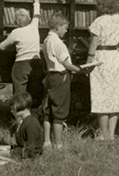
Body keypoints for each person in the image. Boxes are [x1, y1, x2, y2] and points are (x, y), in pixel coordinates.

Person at [86, 0, 119, 140]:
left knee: (101, 95)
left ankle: (103, 134)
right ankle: (111, 135)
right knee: (114, 95)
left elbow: (94, 43)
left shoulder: (99, 21)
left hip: (101, 58)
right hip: (114, 58)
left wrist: (89, 61)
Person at [42, 13, 82, 149]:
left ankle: (47, 141)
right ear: (58, 27)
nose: (66, 31)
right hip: (61, 76)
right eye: (65, 28)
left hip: (51, 76)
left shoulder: (47, 40)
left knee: (49, 109)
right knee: (60, 110)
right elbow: (66, 63)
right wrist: (79, 69)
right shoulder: (58, 43)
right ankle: (58, 144)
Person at [0, 0, 44, 108]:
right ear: (29, 19)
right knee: (34, 91)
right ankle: (33, 115)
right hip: (36, 63)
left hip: (21, 65)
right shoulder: (34, 26)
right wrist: (37, 0)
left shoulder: (15, 33)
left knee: (19, 92)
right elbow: (37, 14)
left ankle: (18, 116)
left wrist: (13, 43)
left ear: (16, 21)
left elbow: (1, 47)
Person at [11, 92, 43, 159]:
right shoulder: (23, 121)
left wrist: (11, 152)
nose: (11, 110)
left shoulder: (31, 124)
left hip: (29, 156)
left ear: (21, 105)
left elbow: (30, 150)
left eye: (13, 107)